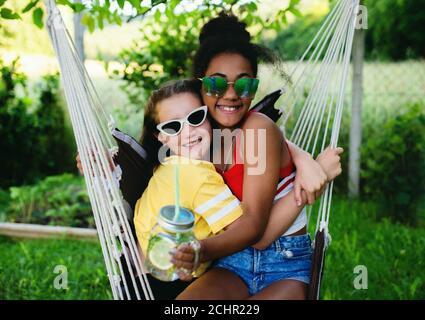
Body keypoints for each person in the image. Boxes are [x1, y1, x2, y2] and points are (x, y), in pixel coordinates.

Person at [170, 13, 343, 300]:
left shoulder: (258, 128)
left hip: (284, 263)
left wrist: (200, 250)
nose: (230, 95)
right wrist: (107, 165)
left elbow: (258, 234)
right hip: (230, 263)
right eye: (216, 84)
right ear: (199, 85)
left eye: (243, 85)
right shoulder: (200, 133)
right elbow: (153, 158)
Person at [134, 79, 342, 299]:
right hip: (186, 274)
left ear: (210, 118)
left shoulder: (179, 161)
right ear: (161, 137)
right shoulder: (196, 173)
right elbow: (254, 235)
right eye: (173, 126)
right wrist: (317, 175)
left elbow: (266, 139)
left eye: (195, 118)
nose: (187, 131)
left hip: (269, 265)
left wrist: (301, 157)